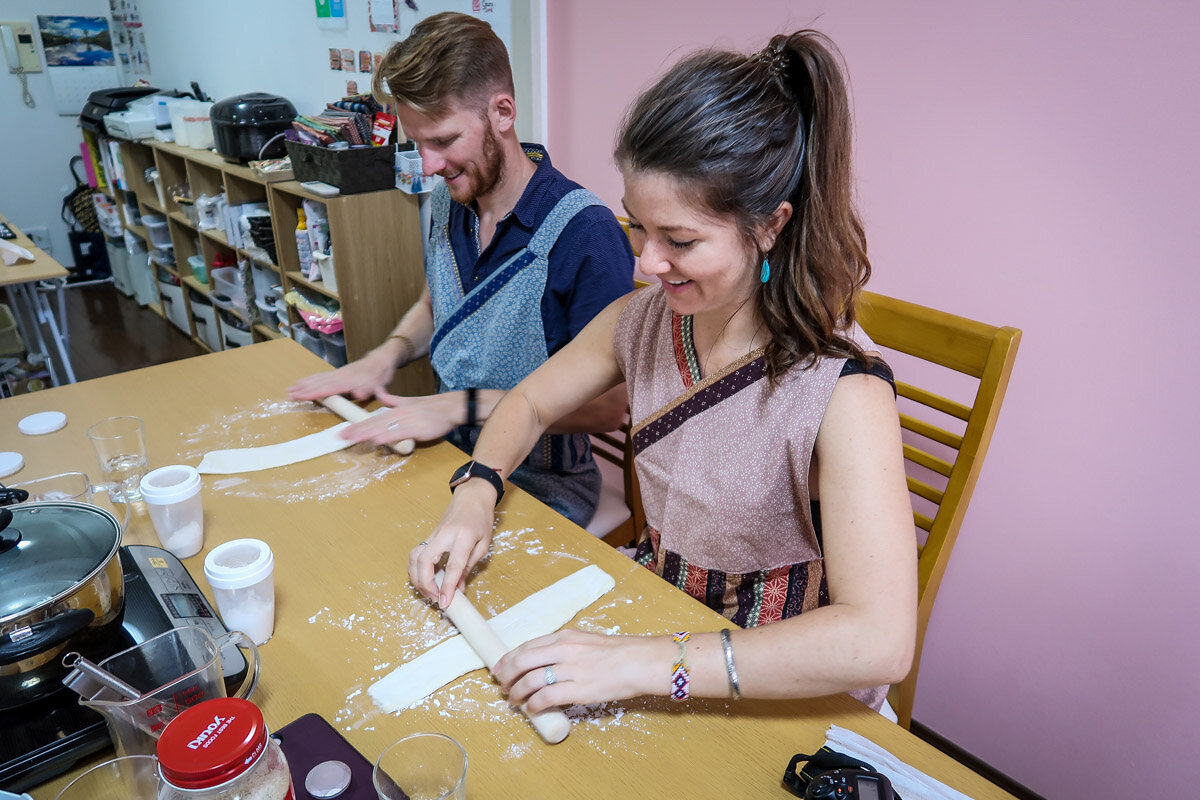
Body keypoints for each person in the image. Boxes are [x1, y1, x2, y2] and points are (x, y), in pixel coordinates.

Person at [409, 30, 916, 712]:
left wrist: (649, 664)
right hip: (667, 611)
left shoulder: (840, 390)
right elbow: (528, 404)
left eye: (679, 241)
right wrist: (475, 492)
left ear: (770, 225)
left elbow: (877, 640)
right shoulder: (647, 322)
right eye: (638, 228)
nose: (646, 263)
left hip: (781, 680)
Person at [289, 12, 635, 526]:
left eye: (444, 141)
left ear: (502, 112)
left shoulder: (585, 234)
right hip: (447, 450)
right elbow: (439, 302)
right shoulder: (451, 197)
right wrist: (387, 355)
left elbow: (610, 409)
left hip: (540, 481)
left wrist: (462, 405)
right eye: (417, 143)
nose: (428, 164)